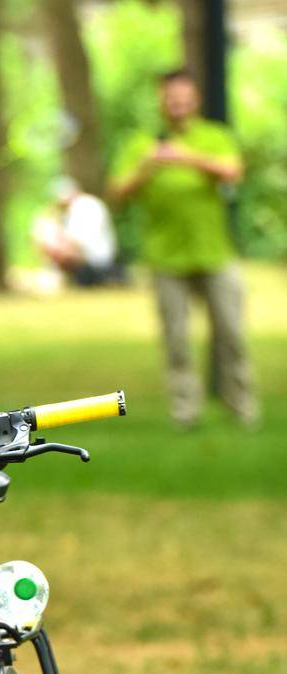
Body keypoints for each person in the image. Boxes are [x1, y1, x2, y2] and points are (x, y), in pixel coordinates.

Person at [109, 67, 257, 428]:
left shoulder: (214, 136)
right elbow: (118, 193)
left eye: (184, 98)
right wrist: (149, 165)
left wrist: (184, 157)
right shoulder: (141, 142)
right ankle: (185, 413)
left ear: (195, 101)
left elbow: (233, 171)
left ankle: (243, 410)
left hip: (215, 252)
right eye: (171, 98)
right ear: (162, 101)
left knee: (231, 334)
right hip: (165, 257)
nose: (178, 105)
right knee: (176, 340)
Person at [33, 176, 121, 287]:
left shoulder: (85, 206)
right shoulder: (76, 208)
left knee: (52, 244)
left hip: (95, 258)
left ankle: (59, 277)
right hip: (89, 255)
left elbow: (80, 240)